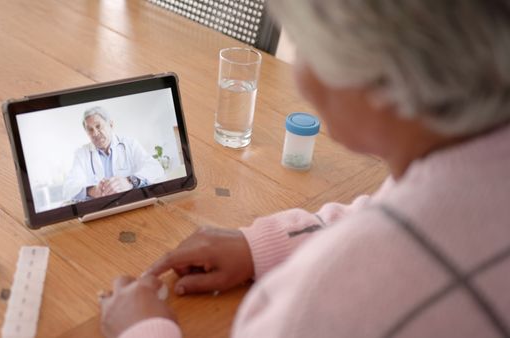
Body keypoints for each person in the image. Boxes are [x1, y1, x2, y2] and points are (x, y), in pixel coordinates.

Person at [99, 1, 510, 337]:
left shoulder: (329, 297)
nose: (300, 79)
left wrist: (143, 329)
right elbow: (396, 213)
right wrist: (265, 245)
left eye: (306, 48)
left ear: (382, 75)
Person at [62, 106, 164, 201]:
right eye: (90, 130)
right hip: (100, 208)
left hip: (131, 201)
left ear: (110, 125)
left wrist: (129, 181)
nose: (95, 133)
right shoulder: (81, 154)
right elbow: (68, 188)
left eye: (98, 126)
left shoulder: (130, 144)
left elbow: (156, 169)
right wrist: (91, 190)